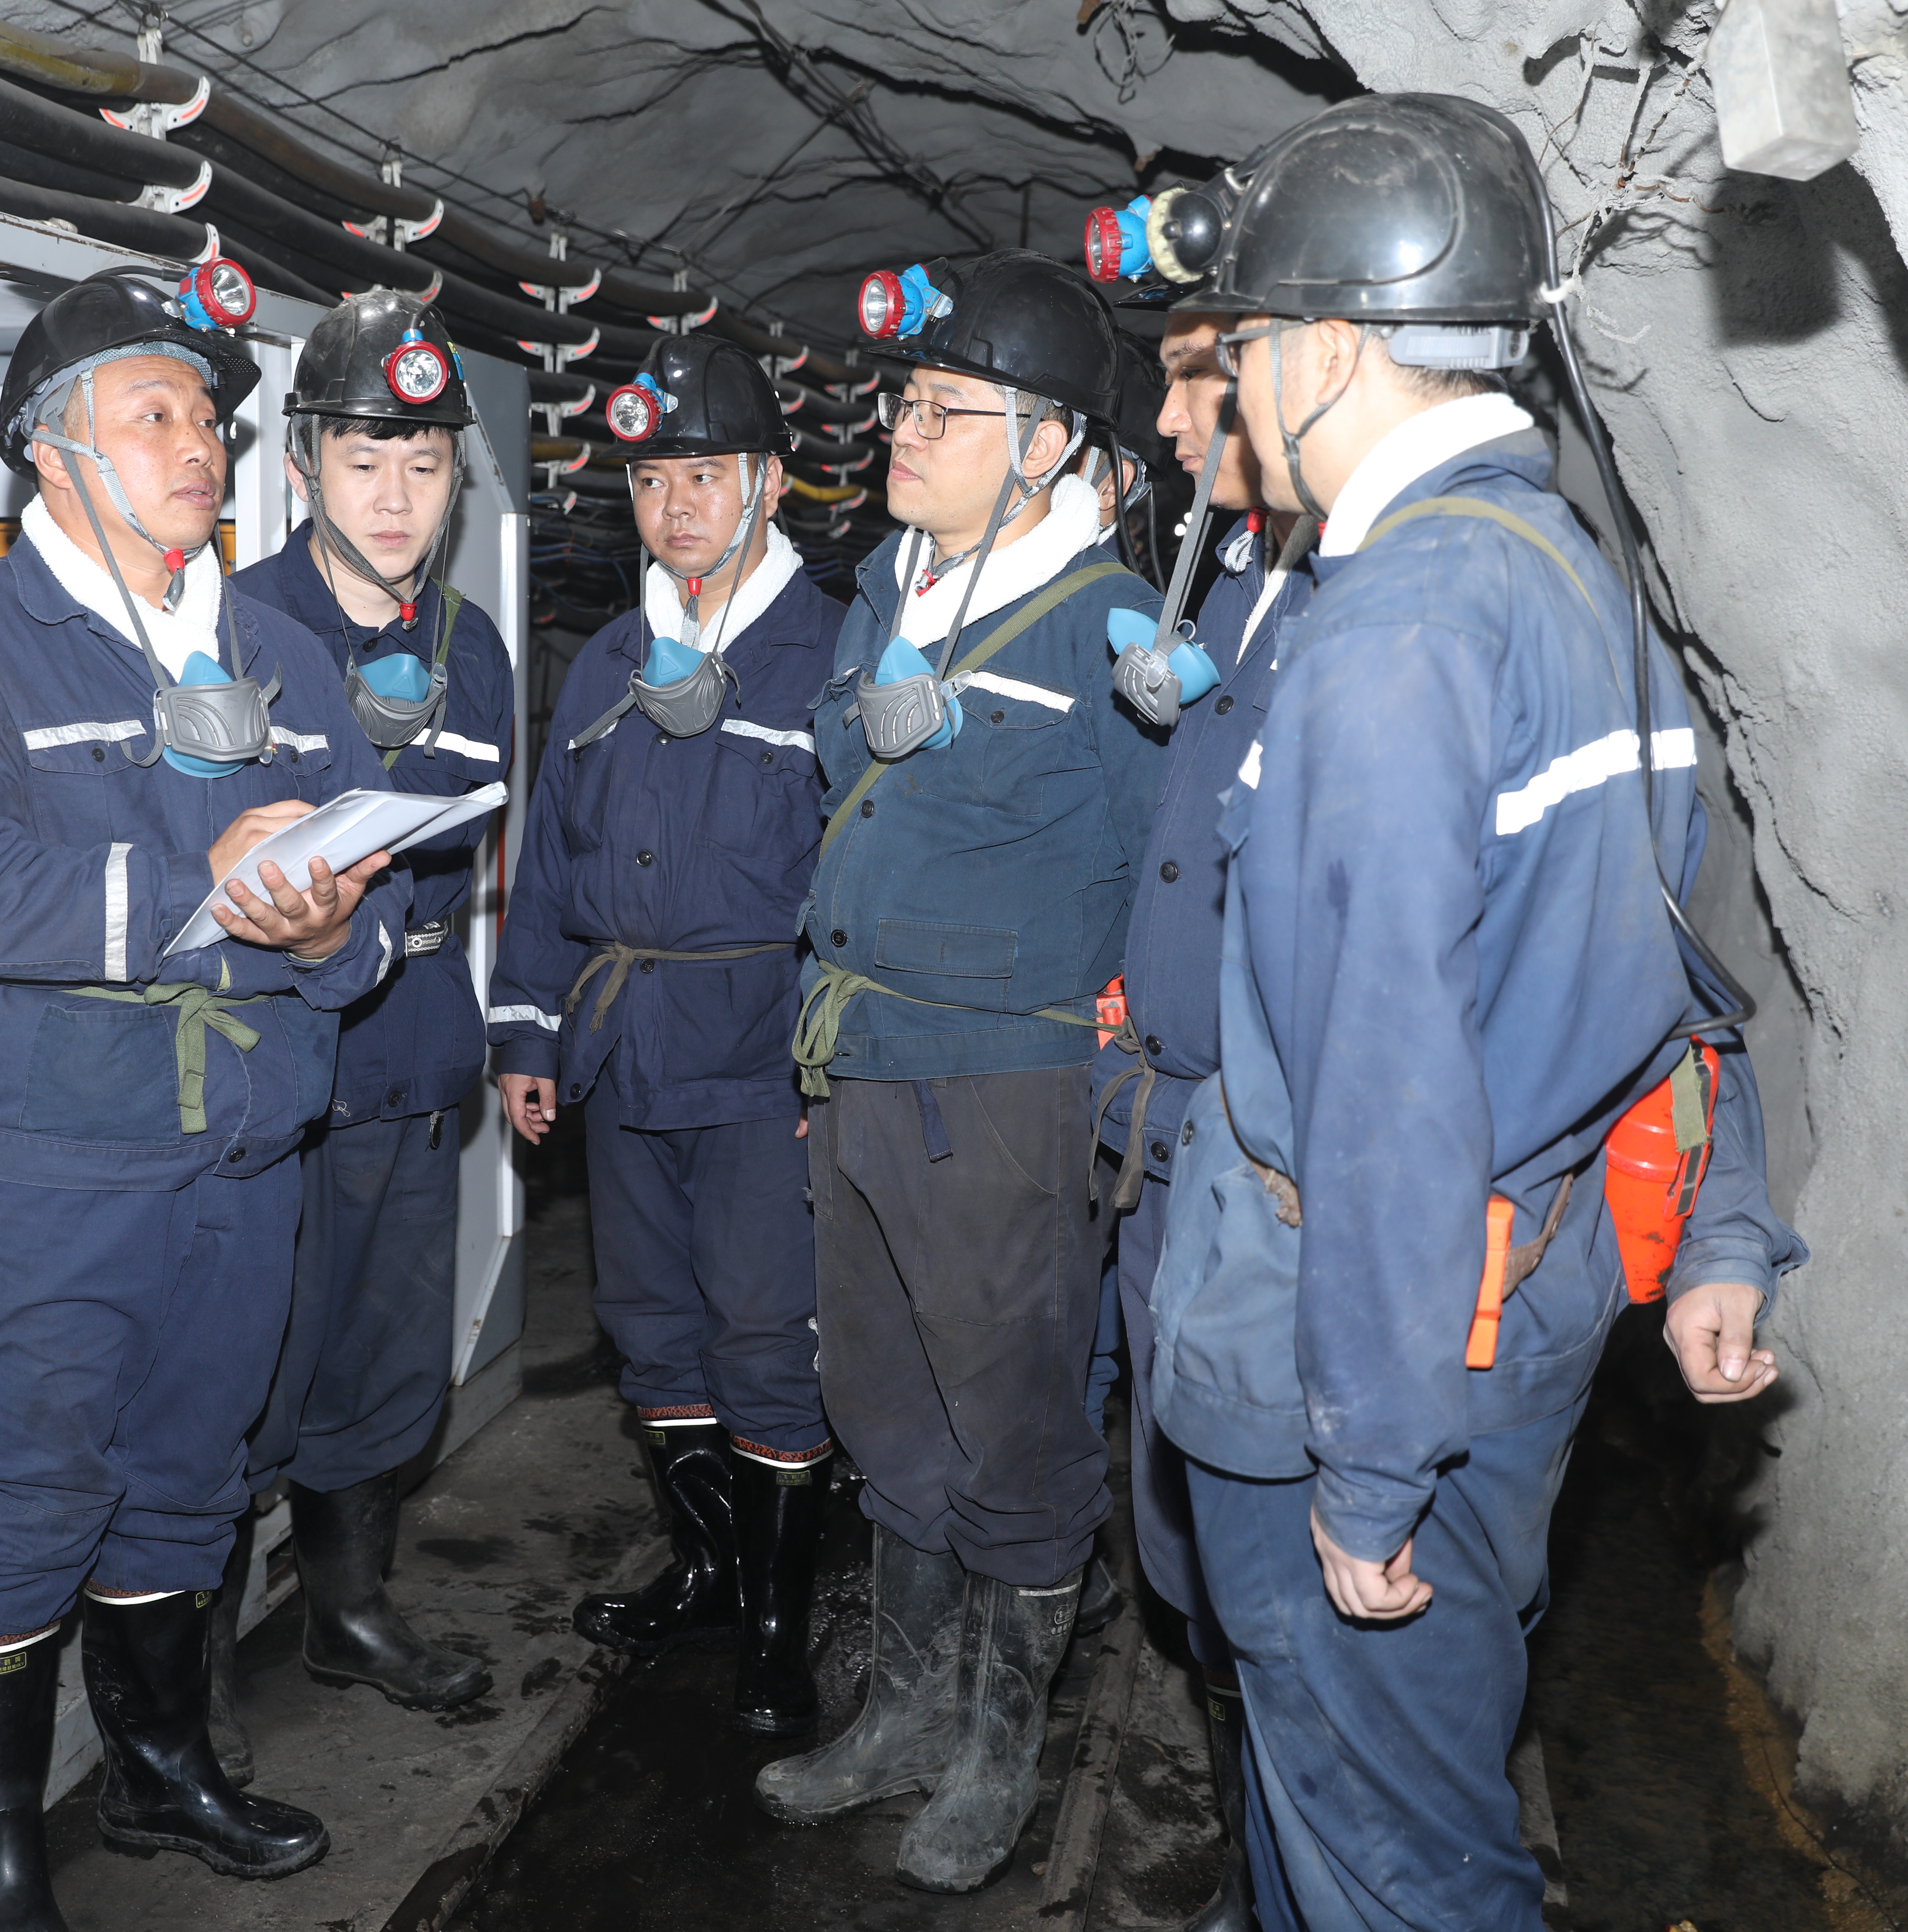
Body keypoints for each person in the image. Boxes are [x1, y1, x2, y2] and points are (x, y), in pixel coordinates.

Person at [1148, 94, 1806, 1930]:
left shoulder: (1393, 635)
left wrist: (1370, 1467)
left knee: (1399, 1855)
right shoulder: (1576, 578)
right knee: (1369, 1799)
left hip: (1379, 1342)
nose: (1234, 389)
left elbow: (1384, 1091)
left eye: (1248, 345)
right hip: (1523, 1301)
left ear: (1330, 351)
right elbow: (1663, 956)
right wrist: (1720, 1222)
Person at [0, 264, 409, 1929]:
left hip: (244, 1151)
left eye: (209, 418)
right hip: (55, 1167)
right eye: (152, 413)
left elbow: (372, 911)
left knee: (187, 1476)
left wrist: (330, 931)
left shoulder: (277, 656)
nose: (200, 445)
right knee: (29, 1493)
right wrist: (212, 884)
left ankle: (162, 1773)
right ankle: (2, 1864)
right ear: (53, 450)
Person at [756, 250, 1162, 1895]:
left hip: (1003, 1086)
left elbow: (1163, 875)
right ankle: (907, 1713)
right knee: (881, 1396)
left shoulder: (1117, 634)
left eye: (945, 410)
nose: (903, 433)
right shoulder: (886, 589)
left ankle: (1001, 1747)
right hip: (860, 1056)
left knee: (1013, 1423)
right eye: (904, 404)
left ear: (1047, 446)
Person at [486, 335, 843, 1733]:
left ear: (770, 483)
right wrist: (529, 1035)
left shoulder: (831, 654)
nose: (676, 505)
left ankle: (776, 1626)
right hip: (624, 1047)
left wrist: (837, 1064)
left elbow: (862, 876)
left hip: (762, 1057)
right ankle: (707, 1567)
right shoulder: (607, 663)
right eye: (651, 479)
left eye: (706, 474)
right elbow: (550, 866)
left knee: (766, 1334)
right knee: (652, 1328)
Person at [202, 293, 512, 1761]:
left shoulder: (473, 646)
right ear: (304, 465)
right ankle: (190, 1689)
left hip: (411, 1043)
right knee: (239, 1374)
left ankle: (348, 1609)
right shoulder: (233, 634)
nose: (396, 498)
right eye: (366, 461)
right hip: (271, 1058)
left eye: (426, 466)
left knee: (384, 1362)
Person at [1090, 276, 1319, 1932]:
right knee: (1191, 1550)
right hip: (1166, 1147)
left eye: (1199, 382)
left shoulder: (1365, 602)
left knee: (1281, 1572)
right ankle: (1257, 1861)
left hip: (1266, 1173)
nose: (1172, 420)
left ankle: (1292, 1880)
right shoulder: (1238, 577)